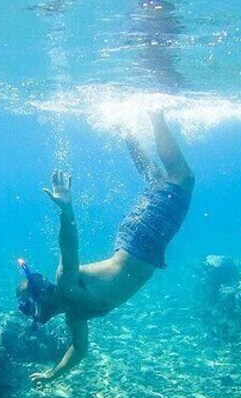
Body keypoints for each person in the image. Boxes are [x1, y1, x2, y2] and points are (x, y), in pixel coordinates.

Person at [17, 110, 194, 383]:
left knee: (181, 179)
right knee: (156, 179)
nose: (36, 314)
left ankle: (155, 112)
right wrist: (52, 375)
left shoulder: (66, 283)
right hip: (138, 244)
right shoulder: (75, 316)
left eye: (31, 306)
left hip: (140, 242)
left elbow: (69, 248)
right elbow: (79, 349)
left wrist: (66, 211)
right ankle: (123, 123)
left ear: (43, 295)